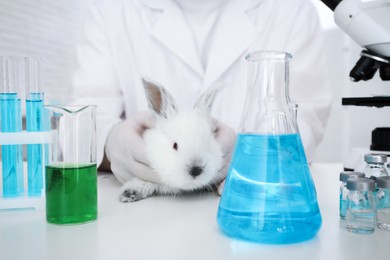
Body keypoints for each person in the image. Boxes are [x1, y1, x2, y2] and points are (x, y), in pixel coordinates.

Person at [71, 0, 332, 188]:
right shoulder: (109, 9)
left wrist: (252, 155)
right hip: (146, 220)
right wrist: (111, 143)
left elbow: (305, 118)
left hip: (242, 206)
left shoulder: (290, 9)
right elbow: (82, 119)